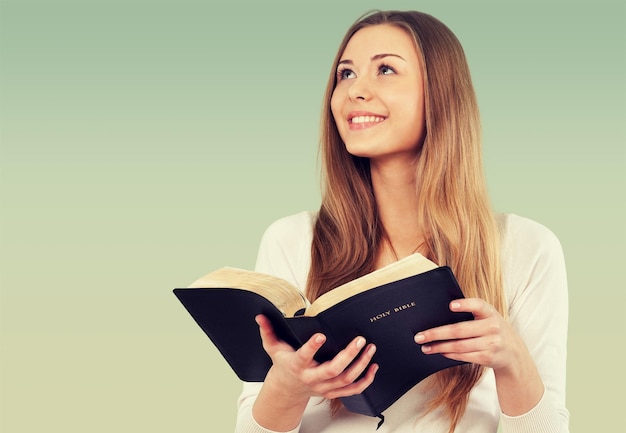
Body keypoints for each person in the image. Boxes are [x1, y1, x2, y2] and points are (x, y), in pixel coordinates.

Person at [234, 10, 569, 433]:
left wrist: (513, 360)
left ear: (441, 94)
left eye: (386, 69)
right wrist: (288, 384)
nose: (355, 91)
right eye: (346, 74)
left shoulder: (526, 246)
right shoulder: (294, 239)